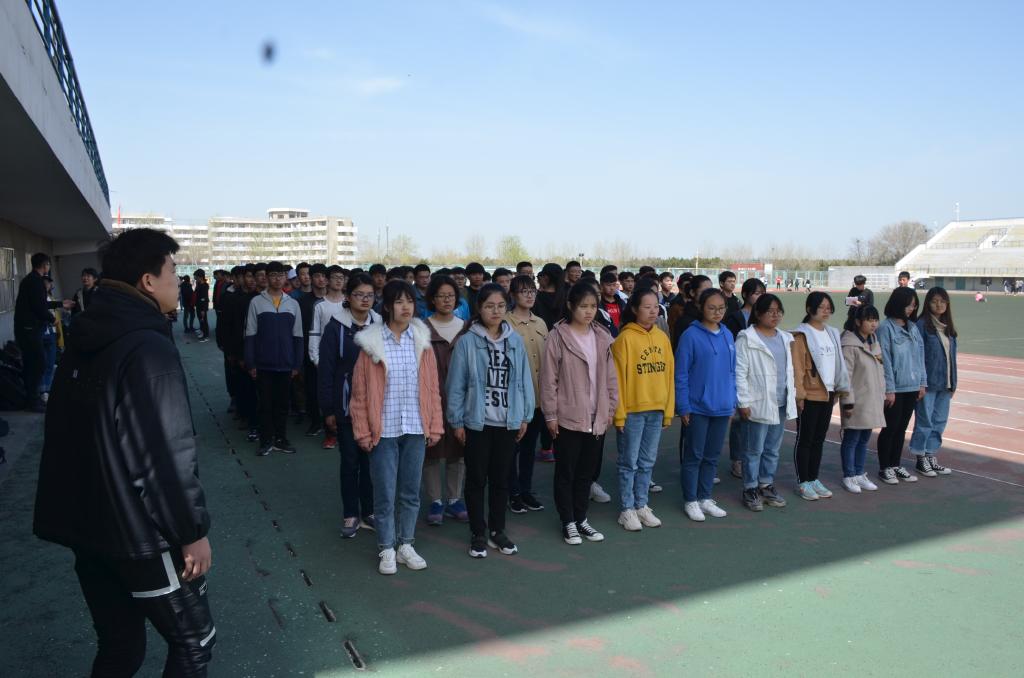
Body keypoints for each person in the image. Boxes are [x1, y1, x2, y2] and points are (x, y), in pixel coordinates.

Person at [34, 228, 215, 676]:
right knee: (193, 642)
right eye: (173, 270)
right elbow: (163, 453)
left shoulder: (85, 335)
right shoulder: (147, 346)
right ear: (148, 281)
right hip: (137, 534)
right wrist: (190, 530)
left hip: (88, 529)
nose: (178, 280)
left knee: (120, 646)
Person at [349, 280, 444, 575]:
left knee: (411, 492)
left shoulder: (422, 341)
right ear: (388, 306)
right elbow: (359, 394)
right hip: (384, 430)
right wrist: (362, 431)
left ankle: (406, 544)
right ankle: (387, 547)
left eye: (410, 301)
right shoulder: (372, 344)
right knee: (385, 493)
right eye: (400, 301)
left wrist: (435, 425)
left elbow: (432, 389)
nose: (406, 307)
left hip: (415, 427)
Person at [446, 283, 535, 558]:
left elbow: (524, 381)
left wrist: (525, 416)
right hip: (477, 423)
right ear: (479, 308)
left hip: (507, 423)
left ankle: (497, 531)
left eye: (500, 306)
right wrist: (456, 421)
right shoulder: (467, 342)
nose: (495, 311)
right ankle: (478, 532)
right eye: (489, 306)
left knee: (501, 480)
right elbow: (455, 385)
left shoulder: (515, 341)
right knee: (476, 480)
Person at [541, 282, 618, 545]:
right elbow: (548, 380)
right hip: (568, 417)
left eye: (593, 306)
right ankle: (568, 521)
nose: (588, 311)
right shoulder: (557, 337)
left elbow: (611, 377)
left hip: (597, 417)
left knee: (586, 473)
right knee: (566, 472)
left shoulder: (602, 336)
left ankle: (581, 518)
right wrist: (551, 415)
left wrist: (611, 408)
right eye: (583, 306)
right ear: (570, 306)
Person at [318, 273, 381, 538]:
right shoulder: (336, 327)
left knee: (372, 462)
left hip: (375, 404)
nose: (365, 300)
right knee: (350, 461)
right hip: (345, 404)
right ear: (347, 296)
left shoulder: (380, 324)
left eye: (370, 295)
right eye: (359, 295)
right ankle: (351, 513)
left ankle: (370, 511)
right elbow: (326, 371)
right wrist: (328, 409)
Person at [611, 287, 674, 532]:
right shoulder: (625, 339)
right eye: (647, 307)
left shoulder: (662, 338)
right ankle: (627, 509)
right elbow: (617, 379)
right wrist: (619, 414)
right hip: (632, 412)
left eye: (656, 306)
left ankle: (641, 505)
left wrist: (668, 410)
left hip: (656, 409)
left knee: (647, 461)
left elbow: (669, 375)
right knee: (629, 462)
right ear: (635, 309)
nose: (652, 311)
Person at [676, 289, 736, 521]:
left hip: (722, 406)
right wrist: (684, 406)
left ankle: (705, 497)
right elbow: (681, 374)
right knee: (694, 455)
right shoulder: (690, 336)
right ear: (701, 308)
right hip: (697, 407)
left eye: (721, 308)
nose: (717, 312)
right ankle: (690, 500)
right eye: (712, 308)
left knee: (712, 456)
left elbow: (732, 371)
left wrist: (732, 399)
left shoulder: (727, 334)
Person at [733, 294, 795, 511]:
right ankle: (750, 488)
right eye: (770, 311)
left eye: (779, 311)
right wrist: (743, 402)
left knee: (772, 448)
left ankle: (766, 484)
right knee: (753, 449)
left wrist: (793, 395)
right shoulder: (746, 338)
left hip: (780, 401)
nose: (775, 315)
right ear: (758, 314)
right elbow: (740, 372)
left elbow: (790, 371)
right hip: (757, 402)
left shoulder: (785, 338)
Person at [791, 292, 851, 500]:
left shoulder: (832, 332)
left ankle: (813, 478)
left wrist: (840, 388)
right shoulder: (801, 334)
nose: (826, 311)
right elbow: (798, 367)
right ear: (810, 309)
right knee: (805, 439)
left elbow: (838, 363)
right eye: (821, 307)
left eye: (829, 307)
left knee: (819, 439)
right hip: (810, 394)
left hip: (829, 393)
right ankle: (803, 482)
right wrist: (800, 395)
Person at [422, 275, 470, 526]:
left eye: (450, 295)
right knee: (430, 451)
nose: (446, 300)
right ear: (432, 299)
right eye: (441, 296)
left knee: (458, 452)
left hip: (461, 399)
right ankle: (435, 501)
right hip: (430, 397)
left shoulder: (466, 328)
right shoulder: (421, 329)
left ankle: (454, 499)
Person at [245, 261, 304, 456]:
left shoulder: (293, 304)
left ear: (285, 277)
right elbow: (250, 334)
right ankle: (266, 440)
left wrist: (296, 364)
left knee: (282, 405)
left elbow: (298, 336)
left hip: (286, 364)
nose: (277, 279)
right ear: (266, 277)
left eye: (281, 275)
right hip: (263, 365)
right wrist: (251, 363)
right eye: (273, 275)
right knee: (265, 405)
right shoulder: (256, 302)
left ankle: (281, 439)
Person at [506, 275, 550, 512]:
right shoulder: (505, 323)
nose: (530, 295)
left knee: (529, 448)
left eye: (532, 290)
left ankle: (526, 490)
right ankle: (512, 492)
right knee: (511, 448)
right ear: (513, 295)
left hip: (538, 397)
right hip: (514, 399)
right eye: (524, 291)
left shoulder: (540, 323)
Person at [876, 286, 926, 484]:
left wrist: (922, 383)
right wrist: (889, 389)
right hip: (895, 388)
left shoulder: (913, 327)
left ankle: (895, 464)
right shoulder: (885, 328)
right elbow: (885, 360)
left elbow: (920, 356)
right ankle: (885, 467)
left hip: (912, 386)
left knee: (901, 429)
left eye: (914, 305)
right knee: (890, 428)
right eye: (909, 305)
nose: (912, 309)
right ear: (898, 304)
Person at [909, 287, 957, 477]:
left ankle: (930, 454)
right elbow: (917, 357)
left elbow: (952, 358)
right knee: (925, 421)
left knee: (939, 422)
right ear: (928, 303)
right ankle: (920, 458)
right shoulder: (921, 325)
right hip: (928, 384)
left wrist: (953, 383)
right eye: (935, 301)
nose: (939, 305)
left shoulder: (948, 328)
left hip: (945, 384)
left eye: (942, 301)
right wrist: (921, 383)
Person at [14, 253, 70, 411]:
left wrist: (60, 304)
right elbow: (39, 307)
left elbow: (39, 303)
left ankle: (29, 398)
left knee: (31, 364)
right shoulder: (36, 281)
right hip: (30, 330)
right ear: (45, 265)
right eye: (49, 265)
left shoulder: (29, 280)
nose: (49, 268)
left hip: (25, 330)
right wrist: (53, 319)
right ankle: (33, 401)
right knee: (38, 364)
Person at [722, 278, 766, 479]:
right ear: (746, 294)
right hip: (740, 373)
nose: (760, 296)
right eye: (756, 293)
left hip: (759, 374)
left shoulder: (764, 318)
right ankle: (737, 460)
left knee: (758, 418)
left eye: (762, 293)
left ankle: (753, 458)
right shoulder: (735, 318)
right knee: (740, 419)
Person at [838, 305, 884, 493]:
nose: (874, 324)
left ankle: (859, 473)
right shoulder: (849, 345)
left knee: (864, 439)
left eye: (875, 320)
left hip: (872, 400)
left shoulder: (874, 342)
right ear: (858, 322)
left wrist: (883, 393)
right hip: (857, 402)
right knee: (852, 439)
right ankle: (849, 475)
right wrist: (847, 402)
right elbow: (845, 377)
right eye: (869, 320)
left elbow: (880, 371)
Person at [298, 264, 328, 437]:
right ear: (311, 278)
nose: (321, 279)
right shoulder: (303, 302)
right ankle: (315, 422)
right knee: (312, 389)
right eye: (317, 276)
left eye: (324, 276)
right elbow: (300, 329)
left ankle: (332, 424)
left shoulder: (336, 300)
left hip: (331, 352)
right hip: (310, 352)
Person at [193, 269, 210, 341]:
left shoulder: (204, 286)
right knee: (201, 320)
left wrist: (203, 309)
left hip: (202, 306)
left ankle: (206, 336)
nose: (195, 278)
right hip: (198, 305)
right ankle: (203, 332)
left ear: (200, 277)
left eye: (196, 277)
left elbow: (204, 298)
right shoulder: (199, 284)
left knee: (204, 320)